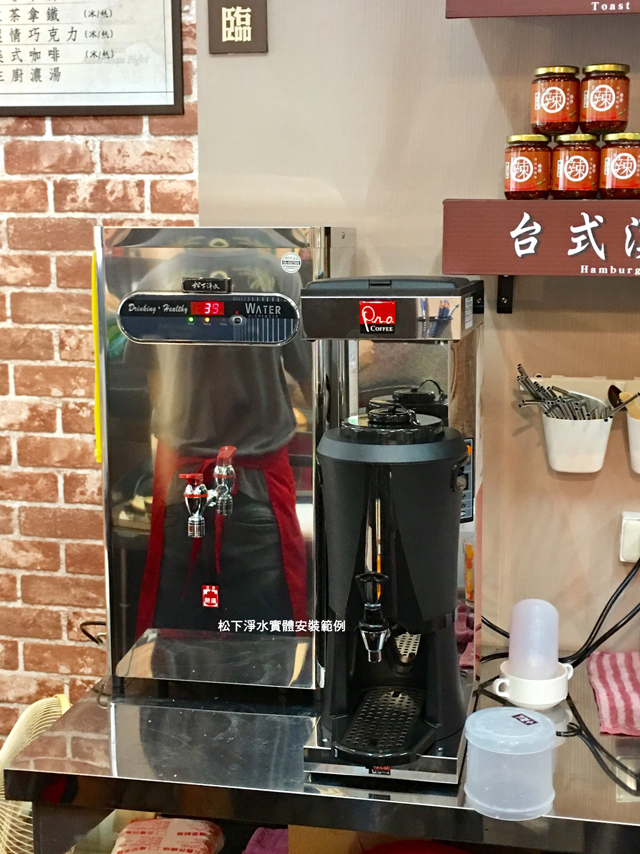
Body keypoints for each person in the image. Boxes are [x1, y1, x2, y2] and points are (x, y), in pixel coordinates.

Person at [121, 232, 311, 637]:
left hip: (180, 484)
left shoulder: (157, 280)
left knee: (181, 634)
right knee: (263, 641)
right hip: (258, 488)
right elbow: (313, 378)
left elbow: (155, 385)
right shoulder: (281, 277)